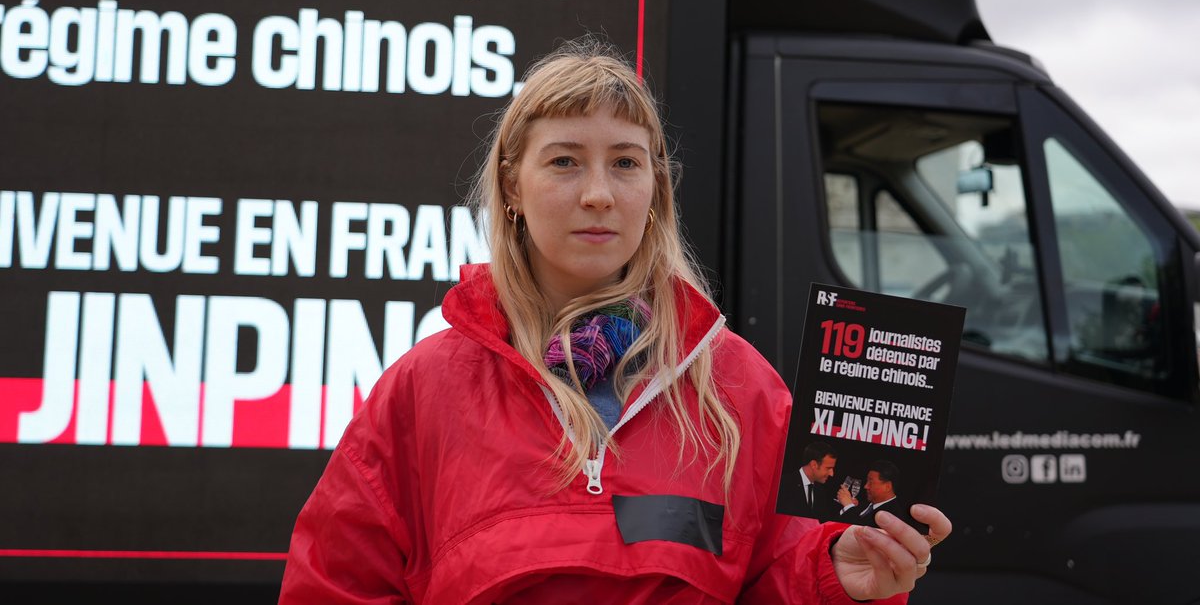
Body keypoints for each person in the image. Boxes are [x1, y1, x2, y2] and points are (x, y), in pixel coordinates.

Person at [277, 37, 950, 604]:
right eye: (565, 161)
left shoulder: (742, 390)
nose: (597, 194)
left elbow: (780, 580)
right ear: (513, 187)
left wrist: (837, 580)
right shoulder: (422, 392)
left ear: (655, 188)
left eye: (625, 163)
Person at [837, 460, 905, 526]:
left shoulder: (893, 516)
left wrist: (848, 506)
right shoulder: (863, 505)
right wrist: (852, 507)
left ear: (887, 487)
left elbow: (861, 532)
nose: (865, 486)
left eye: (871, 482)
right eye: (867, 481)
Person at [798, 441, 840, 522]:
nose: (832, 474)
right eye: (828, 468)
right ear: (814, 465)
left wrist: (847, 507)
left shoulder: (820, 490)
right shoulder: (783, 486)